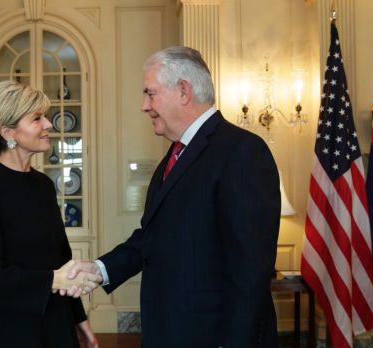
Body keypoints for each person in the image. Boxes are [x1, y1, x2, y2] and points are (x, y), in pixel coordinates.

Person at [67, 46, 281, 347]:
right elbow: (152, 237)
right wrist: (100, 269)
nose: (144, 105)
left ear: (183, 91)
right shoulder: (175, 156)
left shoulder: (242, 152)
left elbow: (249, 270)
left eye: (150, 93)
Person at [0, 81, 100, 348]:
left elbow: (62, 260)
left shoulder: (44, 185)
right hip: (10, 331)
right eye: (37, 118)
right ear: (8, 132)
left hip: (57, 323)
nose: (48, 125)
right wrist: (52, 280)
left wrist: (80, 322)